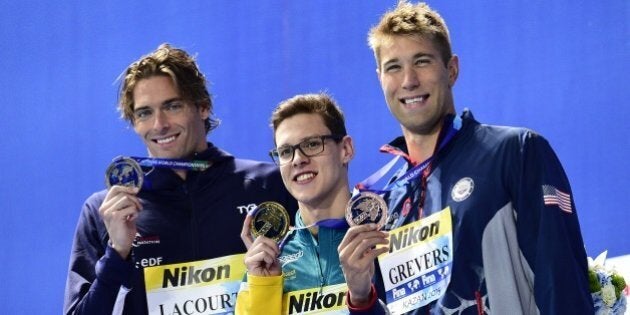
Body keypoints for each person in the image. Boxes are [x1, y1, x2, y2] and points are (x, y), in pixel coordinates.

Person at [338, 2, 593, 314]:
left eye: (422, 61)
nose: (408, 81)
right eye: (394, 67)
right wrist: (362, 298)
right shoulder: (386, 201)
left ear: (452, 70)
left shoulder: (515, 152)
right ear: (380, 79)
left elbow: (562, 284)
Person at [63, 43, 296, 315]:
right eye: (144, 113)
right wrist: (117, 253)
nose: (159, 124)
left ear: (203, 106)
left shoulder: (269, 186)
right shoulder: (105, 212)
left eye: (172, 106)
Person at [236, 93, 387, 314]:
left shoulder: (386, 235)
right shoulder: (268, 261)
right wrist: (263, 287)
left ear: (345, 149)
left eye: (313, 144)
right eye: (285, 152)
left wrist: (363, 300)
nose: (298, 159)